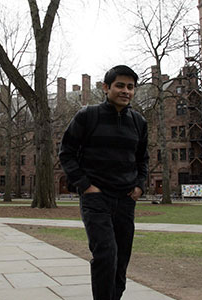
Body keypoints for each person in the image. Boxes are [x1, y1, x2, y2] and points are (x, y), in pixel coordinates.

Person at [59, 65, 149, 300]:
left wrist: (140, 186)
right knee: (106, 254)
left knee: (121, 260)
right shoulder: (88, 116)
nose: (126, 91)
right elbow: (66, 152)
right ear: (106, 87)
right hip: (96, 198)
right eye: (120, 85)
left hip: (126, 199)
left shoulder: (139, 122)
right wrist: (85, 186)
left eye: (130, 87)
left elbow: (142, 159)